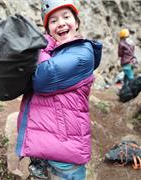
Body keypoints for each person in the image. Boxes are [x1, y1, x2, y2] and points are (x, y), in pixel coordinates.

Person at [16, 0, 102, 179]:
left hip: (65, 157)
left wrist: (41, 45)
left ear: (76, 23)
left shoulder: (82, 53)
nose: (61, 23)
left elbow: (43, 80)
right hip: (44, 149)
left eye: (66, 17)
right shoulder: (55, 52)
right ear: (48, 29)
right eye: (53, 21)